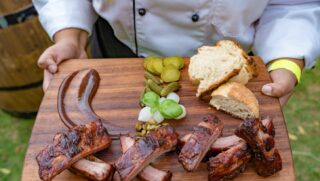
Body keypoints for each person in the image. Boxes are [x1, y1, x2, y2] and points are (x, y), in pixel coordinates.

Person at [33, 0, 320, 106]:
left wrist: (286, 62)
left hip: (231, 72)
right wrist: (70, 37)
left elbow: (294, 4)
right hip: (117, 51)